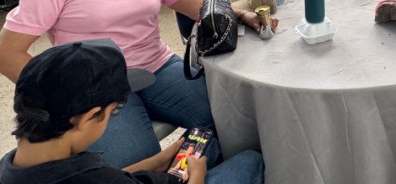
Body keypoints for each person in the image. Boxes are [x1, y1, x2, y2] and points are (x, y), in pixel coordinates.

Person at [0, 0, 268, 168]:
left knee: (235, 123)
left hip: (158, 66)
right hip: (96, 87)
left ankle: (190, 172)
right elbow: (7, 53)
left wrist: (242, 15)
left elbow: (200, 8)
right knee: (137, 165)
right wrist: (62, 94)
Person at [0, 39, 264, 184]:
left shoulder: (14, 164)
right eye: (114, 110)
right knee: (251, 160)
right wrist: (197, 176)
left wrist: (159, 160)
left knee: (205, 144)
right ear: (89, 117)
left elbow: (108, 173)